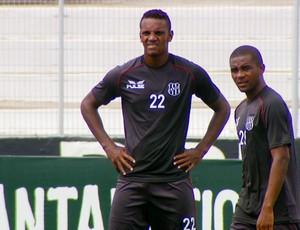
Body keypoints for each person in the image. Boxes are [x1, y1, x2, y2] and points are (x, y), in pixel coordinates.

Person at [81, 9, 230, 230]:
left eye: (159, 33)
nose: (152, 37)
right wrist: (110, 147)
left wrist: (200, 150)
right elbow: (88, 105)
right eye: (146, 33)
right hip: (132, 180)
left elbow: (223, 108)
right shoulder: (124, 73)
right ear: (140, 36)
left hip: (174, 182)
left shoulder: (188, 72)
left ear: (170, 35)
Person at [229, 45, 300, 230]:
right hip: (246, 208)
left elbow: (282, 157)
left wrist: (267, 208)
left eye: (246, 68)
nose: (239, 75)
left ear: (261, 68)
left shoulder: (271, 104)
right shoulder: (240, 110)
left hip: (277, 211)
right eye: (234, 70)